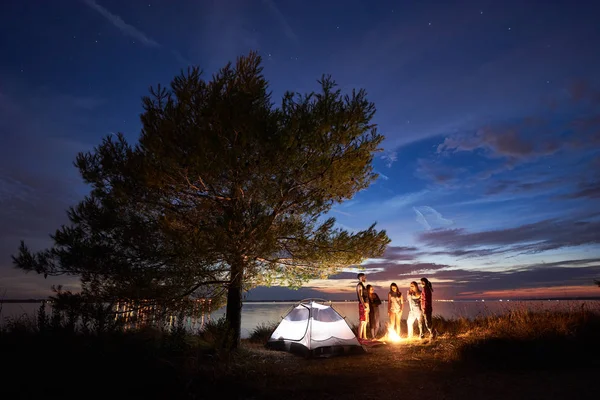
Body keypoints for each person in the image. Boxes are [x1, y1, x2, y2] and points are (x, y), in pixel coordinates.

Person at [356, 273, 369, 340]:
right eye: (364, 277)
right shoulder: (359, 286)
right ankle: (360, 338)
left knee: (365, 321)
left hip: (365, 304)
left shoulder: (363, 286)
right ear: (360, 278)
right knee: (362, 321)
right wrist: (364, 305)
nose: (365, 278)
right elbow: (360, 296)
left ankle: (365, 337)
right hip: (362, 305)